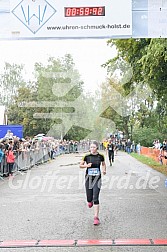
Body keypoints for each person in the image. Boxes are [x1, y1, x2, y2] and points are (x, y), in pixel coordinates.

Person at [80, 141, 106, 225]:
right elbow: (80, 165)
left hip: (97, 178)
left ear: (97, 148)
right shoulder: (86, 156)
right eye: (91, 147)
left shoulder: (100, 156)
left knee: (96, 197)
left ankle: (96, 217)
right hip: (89, 178)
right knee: (89, 197)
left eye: (94, 147)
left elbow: (103, 164)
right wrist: (86, 166)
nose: (92, 149)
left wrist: (104, 170)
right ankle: (89, 201)